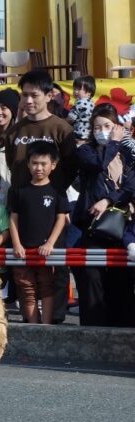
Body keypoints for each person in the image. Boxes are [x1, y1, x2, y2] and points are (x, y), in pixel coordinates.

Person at [72, 104, 135, 327]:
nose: (102, 131)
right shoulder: (85, 150)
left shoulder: (126, 153)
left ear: (116, 126)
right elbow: (98, 165)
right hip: (93, 225)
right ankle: (93, 327)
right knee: (92, 276)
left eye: (107, 126)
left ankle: (123, 326)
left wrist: (109, 200)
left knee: (121, 277)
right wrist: (114, 142)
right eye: (97, 127)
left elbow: (131, 186)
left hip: (122, 223)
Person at [8, 142, 68, 324]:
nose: (38, 168)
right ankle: (33, 325)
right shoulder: (19, 191)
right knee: (26, 288)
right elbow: (13, 218)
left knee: (47, 287)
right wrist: (17, 244)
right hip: (23, 250)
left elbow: (61, 218)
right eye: (34, 163)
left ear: (53, 165)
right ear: (28, 164)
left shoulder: (57, 190)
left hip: (46, 251)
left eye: (43, 164)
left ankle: (46, 326)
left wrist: (50, 243)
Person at [6, 70, 77, 193]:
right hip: (18, 205)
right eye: (25, 95)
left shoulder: (62, 129)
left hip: (51, 205)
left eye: (34, 95)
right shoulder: (14, 131)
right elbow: (11, 164)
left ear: (49, 96)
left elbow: (71, 168)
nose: (28, 101)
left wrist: (54, 193)